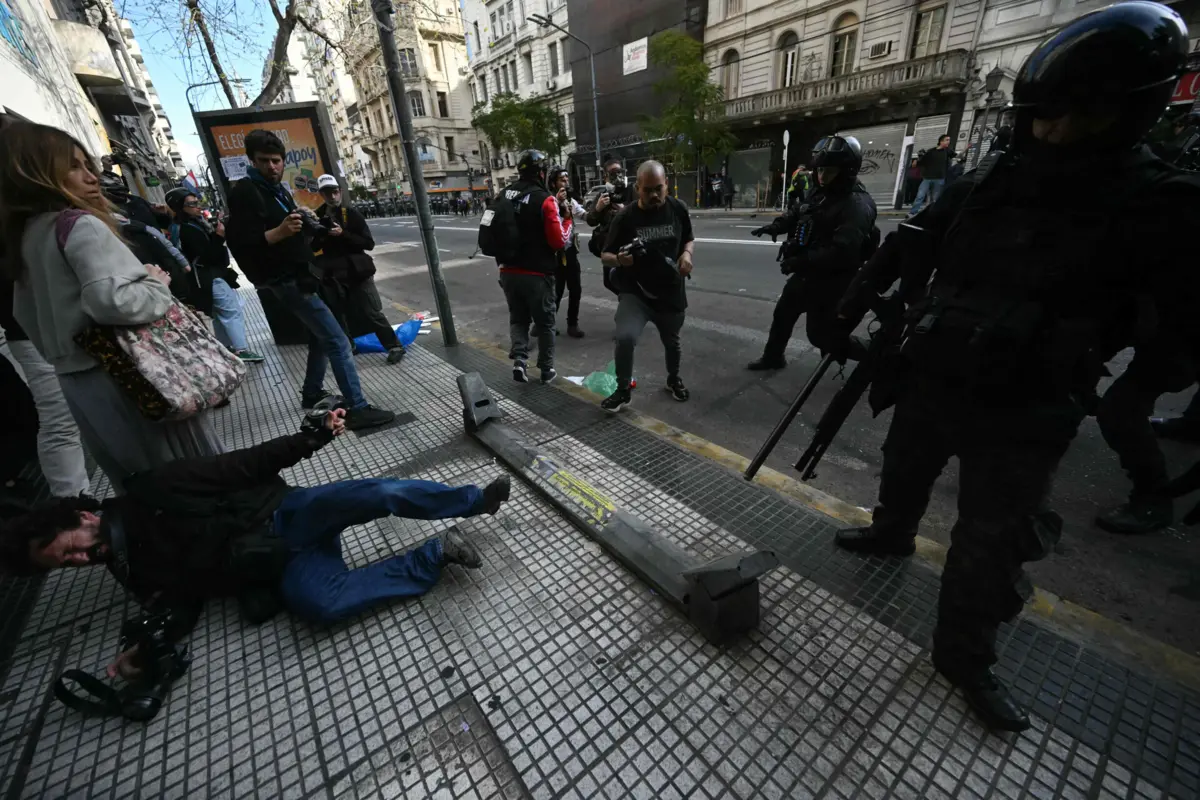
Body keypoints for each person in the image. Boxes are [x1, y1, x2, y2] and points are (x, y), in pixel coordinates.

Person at [823, 1, 1200, 732]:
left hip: (1027, 404)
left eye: (1068, 117)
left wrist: (1137, 372)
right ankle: (891, 532)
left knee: (990, 541)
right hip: (937, 375)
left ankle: (965, 657)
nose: (1048, 132)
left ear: (1124, 111)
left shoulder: (1159, 203)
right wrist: (869, 290)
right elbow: (916, 244)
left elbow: (1182, 323)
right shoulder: (1000, 174)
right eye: (1039, 116)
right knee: (903, 471)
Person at [0, 406, 514, 678]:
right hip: (278, 566)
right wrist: (148, 645)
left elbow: (238, 466)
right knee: (321, 604)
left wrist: (309, 439)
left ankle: (473, 501)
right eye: (67, 565)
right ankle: (438, 552)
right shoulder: (134, 573)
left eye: (69, 547)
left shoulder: (152, 491)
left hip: (287, 515)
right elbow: (179, 603)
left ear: (82, 515)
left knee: (377, 492)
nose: (81, 559)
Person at [0, 121, 224, 492]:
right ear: (35, 171)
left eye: (89, 165)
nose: (91, 177)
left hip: (78, 383)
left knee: (139, 485)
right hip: (130, 376)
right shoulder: (79, 225)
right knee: (192, 477)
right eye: (73, 166)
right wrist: (155, 282)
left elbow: (26, 317)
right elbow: (113, 302)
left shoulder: (25, 237)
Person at [224, 129, 394, 430]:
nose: (272, 167)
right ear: (252, 160)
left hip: (301, 274)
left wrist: (306, 223)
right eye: (264, 161)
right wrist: (280, 231)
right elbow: (242, 242)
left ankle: (312, 391)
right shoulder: (246, 192)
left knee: (319, 336)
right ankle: (357, 408)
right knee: (339, 341)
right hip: (285, 277)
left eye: (277, 161)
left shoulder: (277, 190)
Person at [746, 137, 877, 371]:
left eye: (829, 171)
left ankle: (878, 355)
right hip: (808, 273)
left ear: (847, 171)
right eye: (819, 170)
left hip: (833, 282)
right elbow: (800, 211)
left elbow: (842, 252)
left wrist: (801, 260)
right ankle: (773, 357)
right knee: (784, 313)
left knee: (821, 335)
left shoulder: (856, 205)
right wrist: (777, 226)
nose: (821, 176)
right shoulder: (822, 191)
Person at [599, 160, 694, 412]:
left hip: (670, 291)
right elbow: (605, 255)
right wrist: (619, 259)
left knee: (672, 341)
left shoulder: (678, 209)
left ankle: (673, 379)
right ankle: (622, 391)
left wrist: (686, 255)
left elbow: (689, 240)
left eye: (659, 189)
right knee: (625, 337)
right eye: (648, 190)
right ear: (637, 188)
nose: (654, 195)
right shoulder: (625, 217)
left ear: (667, 186)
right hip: (636, 292)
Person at [0, 273, 90, 499]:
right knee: (60, 421)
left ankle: (74, 503)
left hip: (36, 329)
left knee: (63, 420)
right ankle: (73, 504)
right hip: (35, 331)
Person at [494, 149, 572, 384]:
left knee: (518, 319)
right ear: (541, 172)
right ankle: (546, 370)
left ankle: (519, 360)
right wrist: (567, 220)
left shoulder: (503, 194)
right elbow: (559, 241)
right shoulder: (544, 199)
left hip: (507, 271)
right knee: (545, 323)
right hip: (537, 274)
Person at [311, 174, 406, 365]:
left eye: (335, 192)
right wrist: (322, 234)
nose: (332, 196)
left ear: (340, 192)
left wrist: (342, 234)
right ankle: (349, 347)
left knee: (372, 311)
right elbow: (313, 247)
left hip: (357, 272)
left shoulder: (351, 214)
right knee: (339, 314)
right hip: (334, 274)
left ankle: (394, 346)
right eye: (327, 193)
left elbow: (368, 243)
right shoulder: (318, 217)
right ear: (321, 194)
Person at [165, 188, 263, 364]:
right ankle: (240, 349)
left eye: (197, 202)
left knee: (220, 314)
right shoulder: (188, 229)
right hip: (209, 277)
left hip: (204, 278)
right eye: (192, 204)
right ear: (181, 207)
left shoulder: (183, 226)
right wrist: (218, 237)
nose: (197, 207)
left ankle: (226, 348)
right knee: (231, 311)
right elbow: (206, 255)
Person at [584, 156, 636, 292]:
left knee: (630, 281)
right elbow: (590, 220)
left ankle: (630, 303)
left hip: (630, 245)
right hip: (611, 247)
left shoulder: (632, 191)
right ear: (606, 177)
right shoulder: (603, 195)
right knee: (610, 281)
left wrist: (623, 209)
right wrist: (598, 208)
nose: (618, 176)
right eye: (613, 173)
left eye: (620, 172)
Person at [549, 167, 585, 339]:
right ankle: (547, 323)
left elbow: (584, 215)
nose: (565, 182)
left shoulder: (571, 200)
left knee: (575, 289)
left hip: (570, 252)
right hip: (554, 253)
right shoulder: (549, 200)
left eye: (566, 179)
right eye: (561, 180)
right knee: (556, 291)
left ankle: (572, 323)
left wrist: (599, 209)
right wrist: (557, 201)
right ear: (554, 183)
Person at [908, 134, 952, 216]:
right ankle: (913, 212)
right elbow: (923, 161)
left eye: (949, 140)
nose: (948, 142)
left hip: (939, 178)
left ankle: (930, 213)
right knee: (920, 195)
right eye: (947, 140)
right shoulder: (931, 151)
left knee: (934, 198)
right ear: (941, 141)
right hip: (927, 178)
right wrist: (916, 162)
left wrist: (965, 149)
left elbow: (957, 156)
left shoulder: (947, 151)